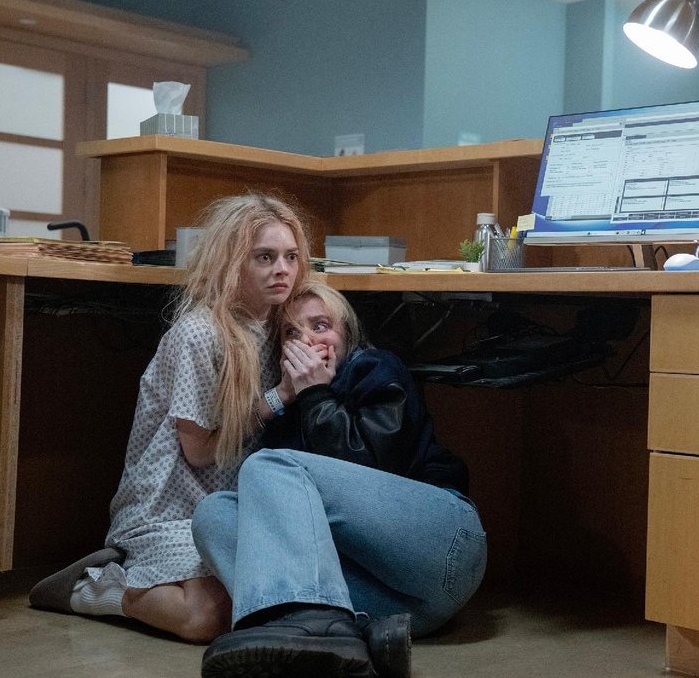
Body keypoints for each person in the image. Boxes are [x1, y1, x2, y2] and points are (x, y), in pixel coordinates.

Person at [29, 193, 312, 643]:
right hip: (169, 508)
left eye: (290, 257)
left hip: (236, 504)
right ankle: (95, 588)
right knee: (205, 619)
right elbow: (198, 452)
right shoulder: (199, 333)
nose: (282, 269)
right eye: (265, 257)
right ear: (231, 263)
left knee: (257, 605)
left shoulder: (286, 327)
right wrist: (279, 398)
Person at [192, 281, 488, 678]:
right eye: (291, 333)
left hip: (444, 548)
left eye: (320, 326)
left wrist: (316, 395)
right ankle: (340, 635)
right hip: (398, 607)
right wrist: (290, 396)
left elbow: (374, 468)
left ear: (347, 335)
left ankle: (306, 628)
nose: (306, 341)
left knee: (265, 466)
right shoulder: (291, 409)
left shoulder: (375, 367)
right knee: (213, 514)